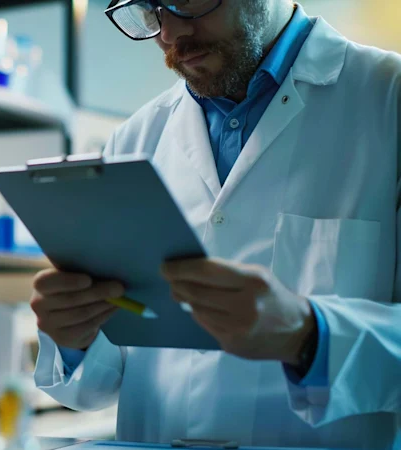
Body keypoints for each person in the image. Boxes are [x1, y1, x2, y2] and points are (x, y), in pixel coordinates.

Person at [31, 0, 401, 448]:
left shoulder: (387, 100)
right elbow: (98, 384)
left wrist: (309, 335)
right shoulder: (133, 139)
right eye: (149, 10)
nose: (168, 35)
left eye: (184, 1)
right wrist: (75, 336)